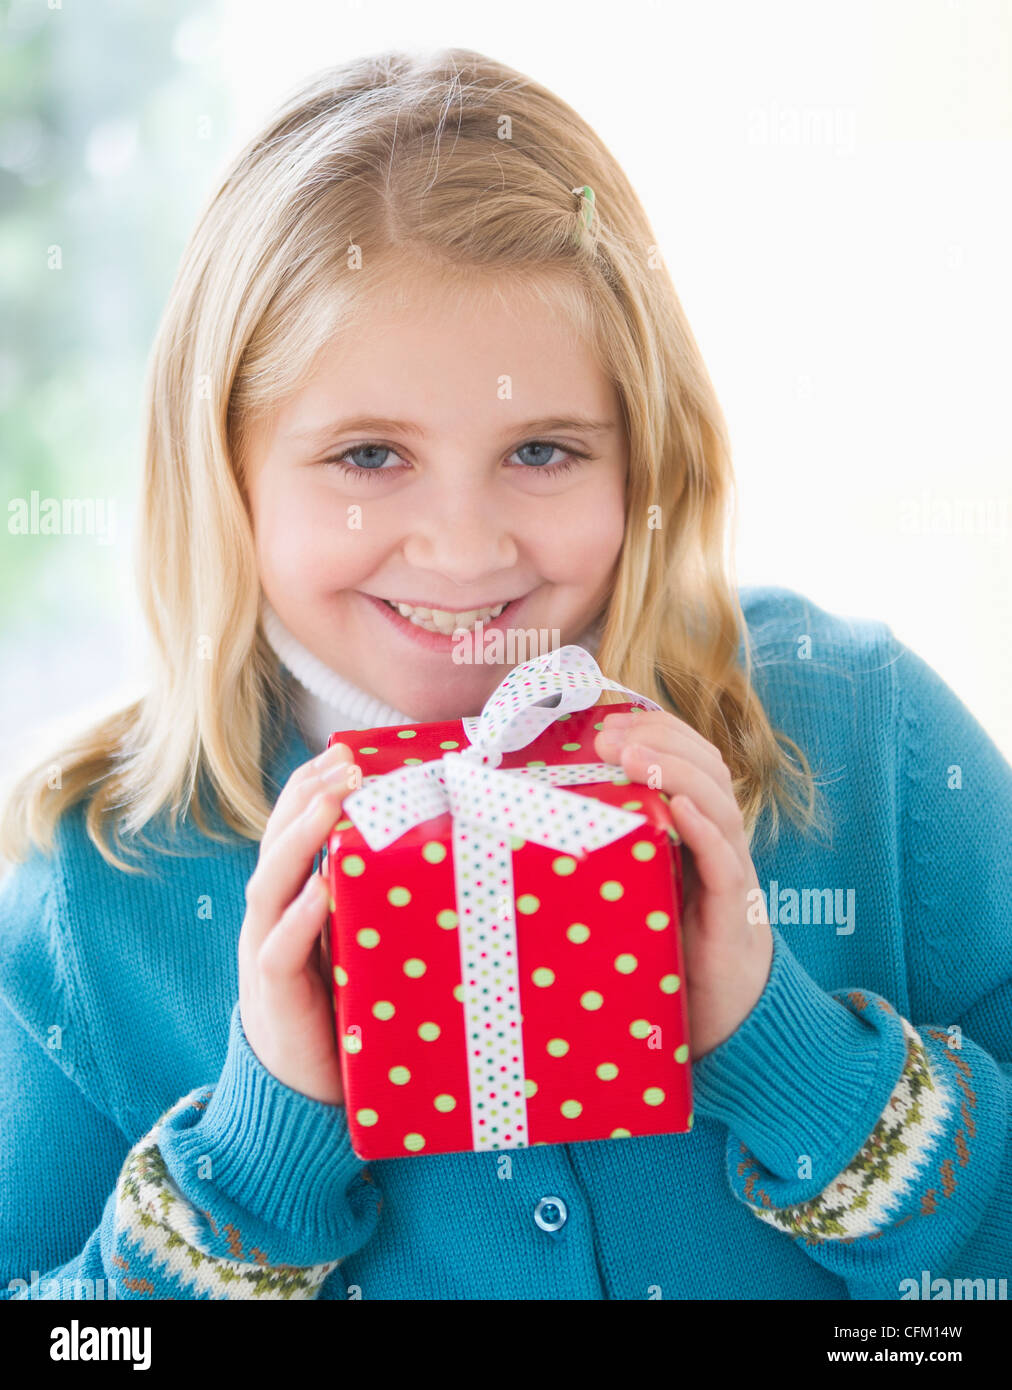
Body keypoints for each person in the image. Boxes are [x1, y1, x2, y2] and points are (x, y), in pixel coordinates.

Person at [1, 47, 1009, 1302]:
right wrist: (254, 1170)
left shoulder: (864, 738)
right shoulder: (93, 890)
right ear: (225, 470)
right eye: (369, 456)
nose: (467, 551)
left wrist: (794, 1058)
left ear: (649, 457)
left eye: (542, 449)